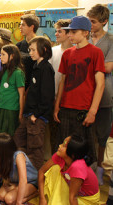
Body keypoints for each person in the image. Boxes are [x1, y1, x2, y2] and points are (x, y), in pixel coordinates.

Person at [53, 16, 105, 164]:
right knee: (63, 151)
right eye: (69, 32)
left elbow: (100, 84)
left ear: (85, 33)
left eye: (74, 32)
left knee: (83, 155)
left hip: (84, 110)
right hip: (65, 108)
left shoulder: (96, 52)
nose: (70, 35)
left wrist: (93, 111)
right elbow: (63, 81)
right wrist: (57, 106)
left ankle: (84, 185)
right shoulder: (67, 53)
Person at [14, 36, 55, 171]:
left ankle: (36, 178)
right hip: (29, 113)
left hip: (36, 116)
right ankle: (24, 171)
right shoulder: (36, 66)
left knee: (35, 148)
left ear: (43, 50)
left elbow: (47, 96)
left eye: (33, 50)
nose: (30, 53)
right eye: (29, 50)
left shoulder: (46, 68)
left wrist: (36, 115)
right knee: (19, 139)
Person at [87, 4, 113, 185]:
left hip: (105, 93)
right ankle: (87, 168)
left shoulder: (111, 40)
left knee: (102, 135)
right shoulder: (85, 37)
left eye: (94, 22)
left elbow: (109, 67)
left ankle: (100, 170)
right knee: (86, 133)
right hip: (85, 92)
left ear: (104, 22)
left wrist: (87, 67)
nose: (90, 25)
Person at [38, 136, 100, 205]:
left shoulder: (77, 167)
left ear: (72, 154)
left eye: (64, 146)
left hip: (86, 199)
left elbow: (73, 198)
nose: (60, 145)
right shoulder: (59, 156)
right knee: (54, 169)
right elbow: (41, 171)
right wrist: (42, 198)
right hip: (73, 192)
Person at [0, 133, 38, 205]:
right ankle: (16, 191)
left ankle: (35, 193)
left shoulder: (18, 156)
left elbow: (23, 180)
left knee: (9, 199)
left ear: (0, 149)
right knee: (0, 196)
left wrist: (19, 202)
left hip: (30, 182)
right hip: (15, 182)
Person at [48, 19, 73, 154]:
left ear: (69, 33)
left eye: (60, 31)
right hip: (54, 99)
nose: (56, 34)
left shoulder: (75, 52)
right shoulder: (53, 51)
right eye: (56, 31)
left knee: (69, 137)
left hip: (70, 101)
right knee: (55, 136)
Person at [0, 44, 25, 137]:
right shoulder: (5, 70)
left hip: (11, 109)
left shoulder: (18, 72)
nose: (1, 57)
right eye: (1, 54)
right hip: (1, 106)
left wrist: (20, 113)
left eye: (3, 54)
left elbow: (22, 95)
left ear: (12, 56)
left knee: (9, 135)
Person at [17, 14, 40, 90]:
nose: (20, 27)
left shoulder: (41, 45)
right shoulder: (19, 45)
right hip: (21, 85)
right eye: (20, 25)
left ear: (32, 27)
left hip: (35, 87)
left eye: (23, 25)